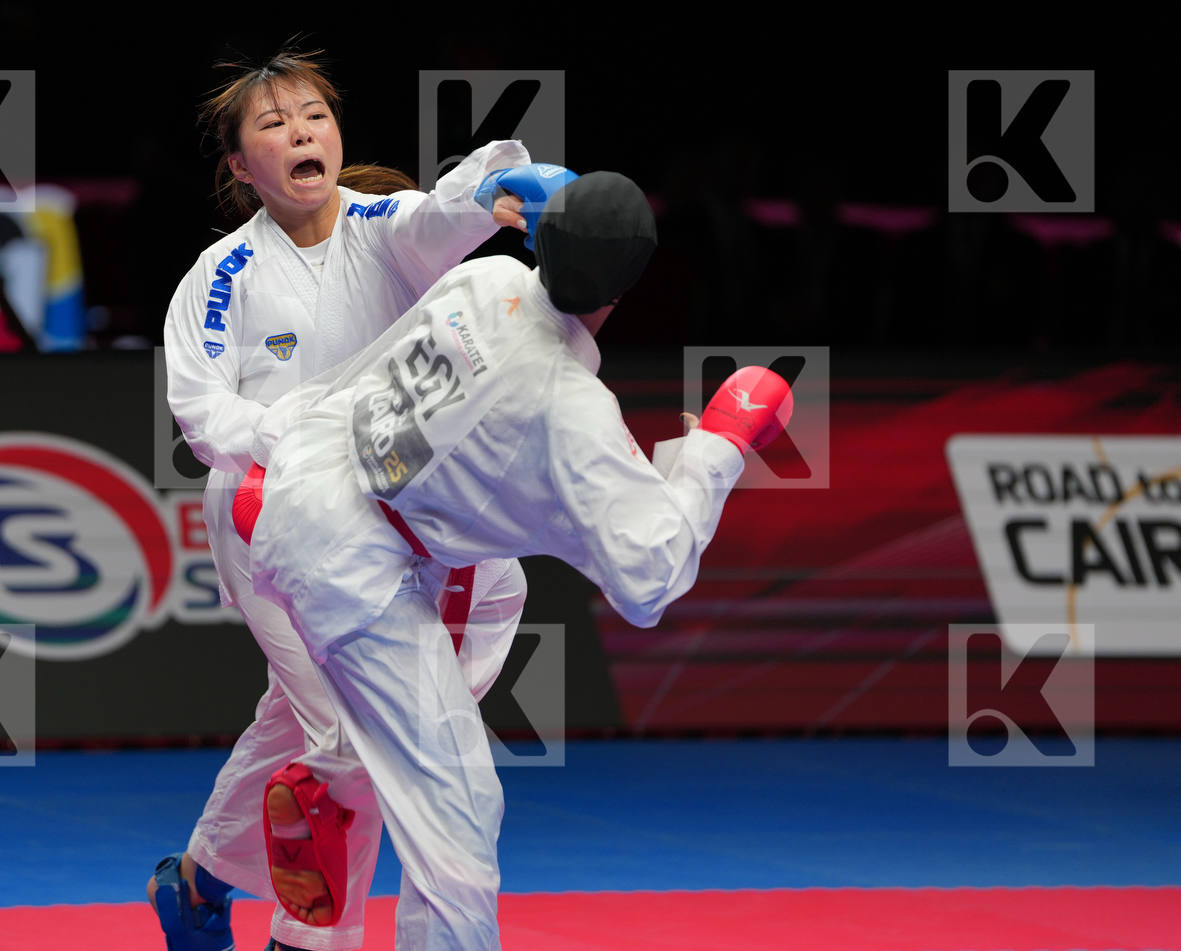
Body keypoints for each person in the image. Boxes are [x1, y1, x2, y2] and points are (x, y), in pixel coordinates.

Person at [237, 170, 794, 950]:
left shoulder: (485, 277)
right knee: (457, 814)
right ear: (630, 285)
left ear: (542, 238)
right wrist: (722, 443)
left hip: (317, 498)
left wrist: (283, 459)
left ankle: (339, 781)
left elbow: (364, 376)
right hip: (360, 571)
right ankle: (339, 784)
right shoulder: (569, 408)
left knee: (475, 639)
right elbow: (649, 580)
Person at [152, 47, 539, 951]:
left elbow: (445, 215)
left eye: (314, 117)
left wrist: (497, 185)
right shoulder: (220, 277)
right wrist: (303, 436)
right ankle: (307, 936)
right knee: (354, 728)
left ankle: (202, 880)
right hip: (265, 517)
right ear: (241, 166)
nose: (300, 133)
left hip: (394, 516)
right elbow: (201, 413)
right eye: (273, 124)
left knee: (307, 723)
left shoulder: (387, 227)